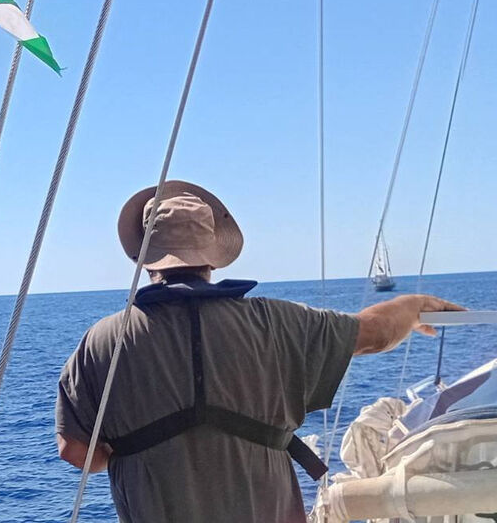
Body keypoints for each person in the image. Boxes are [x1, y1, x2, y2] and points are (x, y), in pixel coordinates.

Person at [55, 180, 464, 523]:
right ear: (212, 255)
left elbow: (74, 449)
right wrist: (413, 306)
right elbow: (373, 333)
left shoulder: (102, 340)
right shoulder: (277, 322)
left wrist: (146, 459)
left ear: (144, 258)